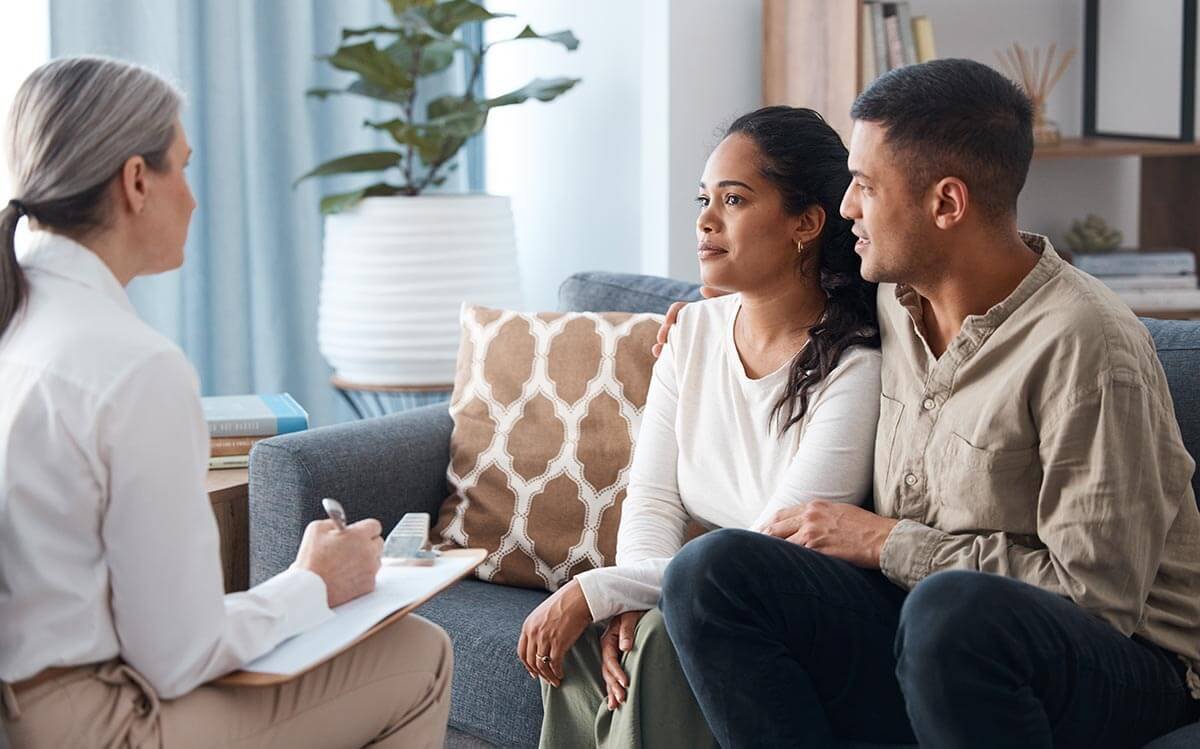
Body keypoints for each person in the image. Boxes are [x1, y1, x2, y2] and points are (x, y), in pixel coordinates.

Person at [658, 58, 1200, 748]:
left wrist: (888, 541)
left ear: (946, 204)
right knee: (713, 572)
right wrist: (701, 315)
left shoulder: (1088, 346)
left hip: (1126, 660)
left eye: (864, 186)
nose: (847, 207)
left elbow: (1097, 598)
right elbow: (779, 270)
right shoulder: (890, 291)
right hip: (927, 627)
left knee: (950, 612)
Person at [0, 56, 452, 748]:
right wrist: (313, 582)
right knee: (420, 653)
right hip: (91, 725)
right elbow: (177, 657)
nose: (194, 196)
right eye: (183, 167)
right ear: (136, 180)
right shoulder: (135, 366)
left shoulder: (19, 324)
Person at [518, 106, 883, 748]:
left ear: (806, 223)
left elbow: (766, 549)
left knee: (657, 634)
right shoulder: (689, 333)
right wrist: (621, 600)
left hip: (782, 607)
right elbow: (654, 498)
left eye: (735, 199)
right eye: (704, 198)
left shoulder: (855, 364)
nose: (705, 220)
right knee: (595, 638)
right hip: (696, 583)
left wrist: (600, 588)